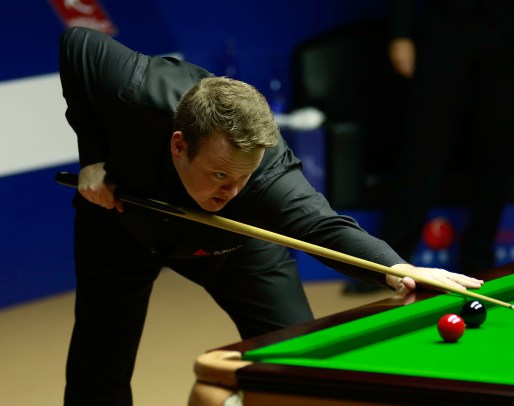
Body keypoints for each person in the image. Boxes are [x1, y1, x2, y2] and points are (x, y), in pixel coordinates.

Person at [58, 27, 483, 406]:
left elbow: (323, 225)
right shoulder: (137, 90)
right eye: (219, 174)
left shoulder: (269, 176)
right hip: (120, 224)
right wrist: (92, 156)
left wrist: (397, 268)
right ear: (179, 145)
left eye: (243, 177)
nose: (231, 190)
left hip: (232, 246)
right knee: (99, 371)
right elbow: (77, 43)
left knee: (299, 366)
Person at [382, 0, 514, 273]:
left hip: (509, 28)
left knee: (498, 147)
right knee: (422, 144)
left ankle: (479, 262)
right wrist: (401, 32)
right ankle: (391, 261)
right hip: (444, 23)